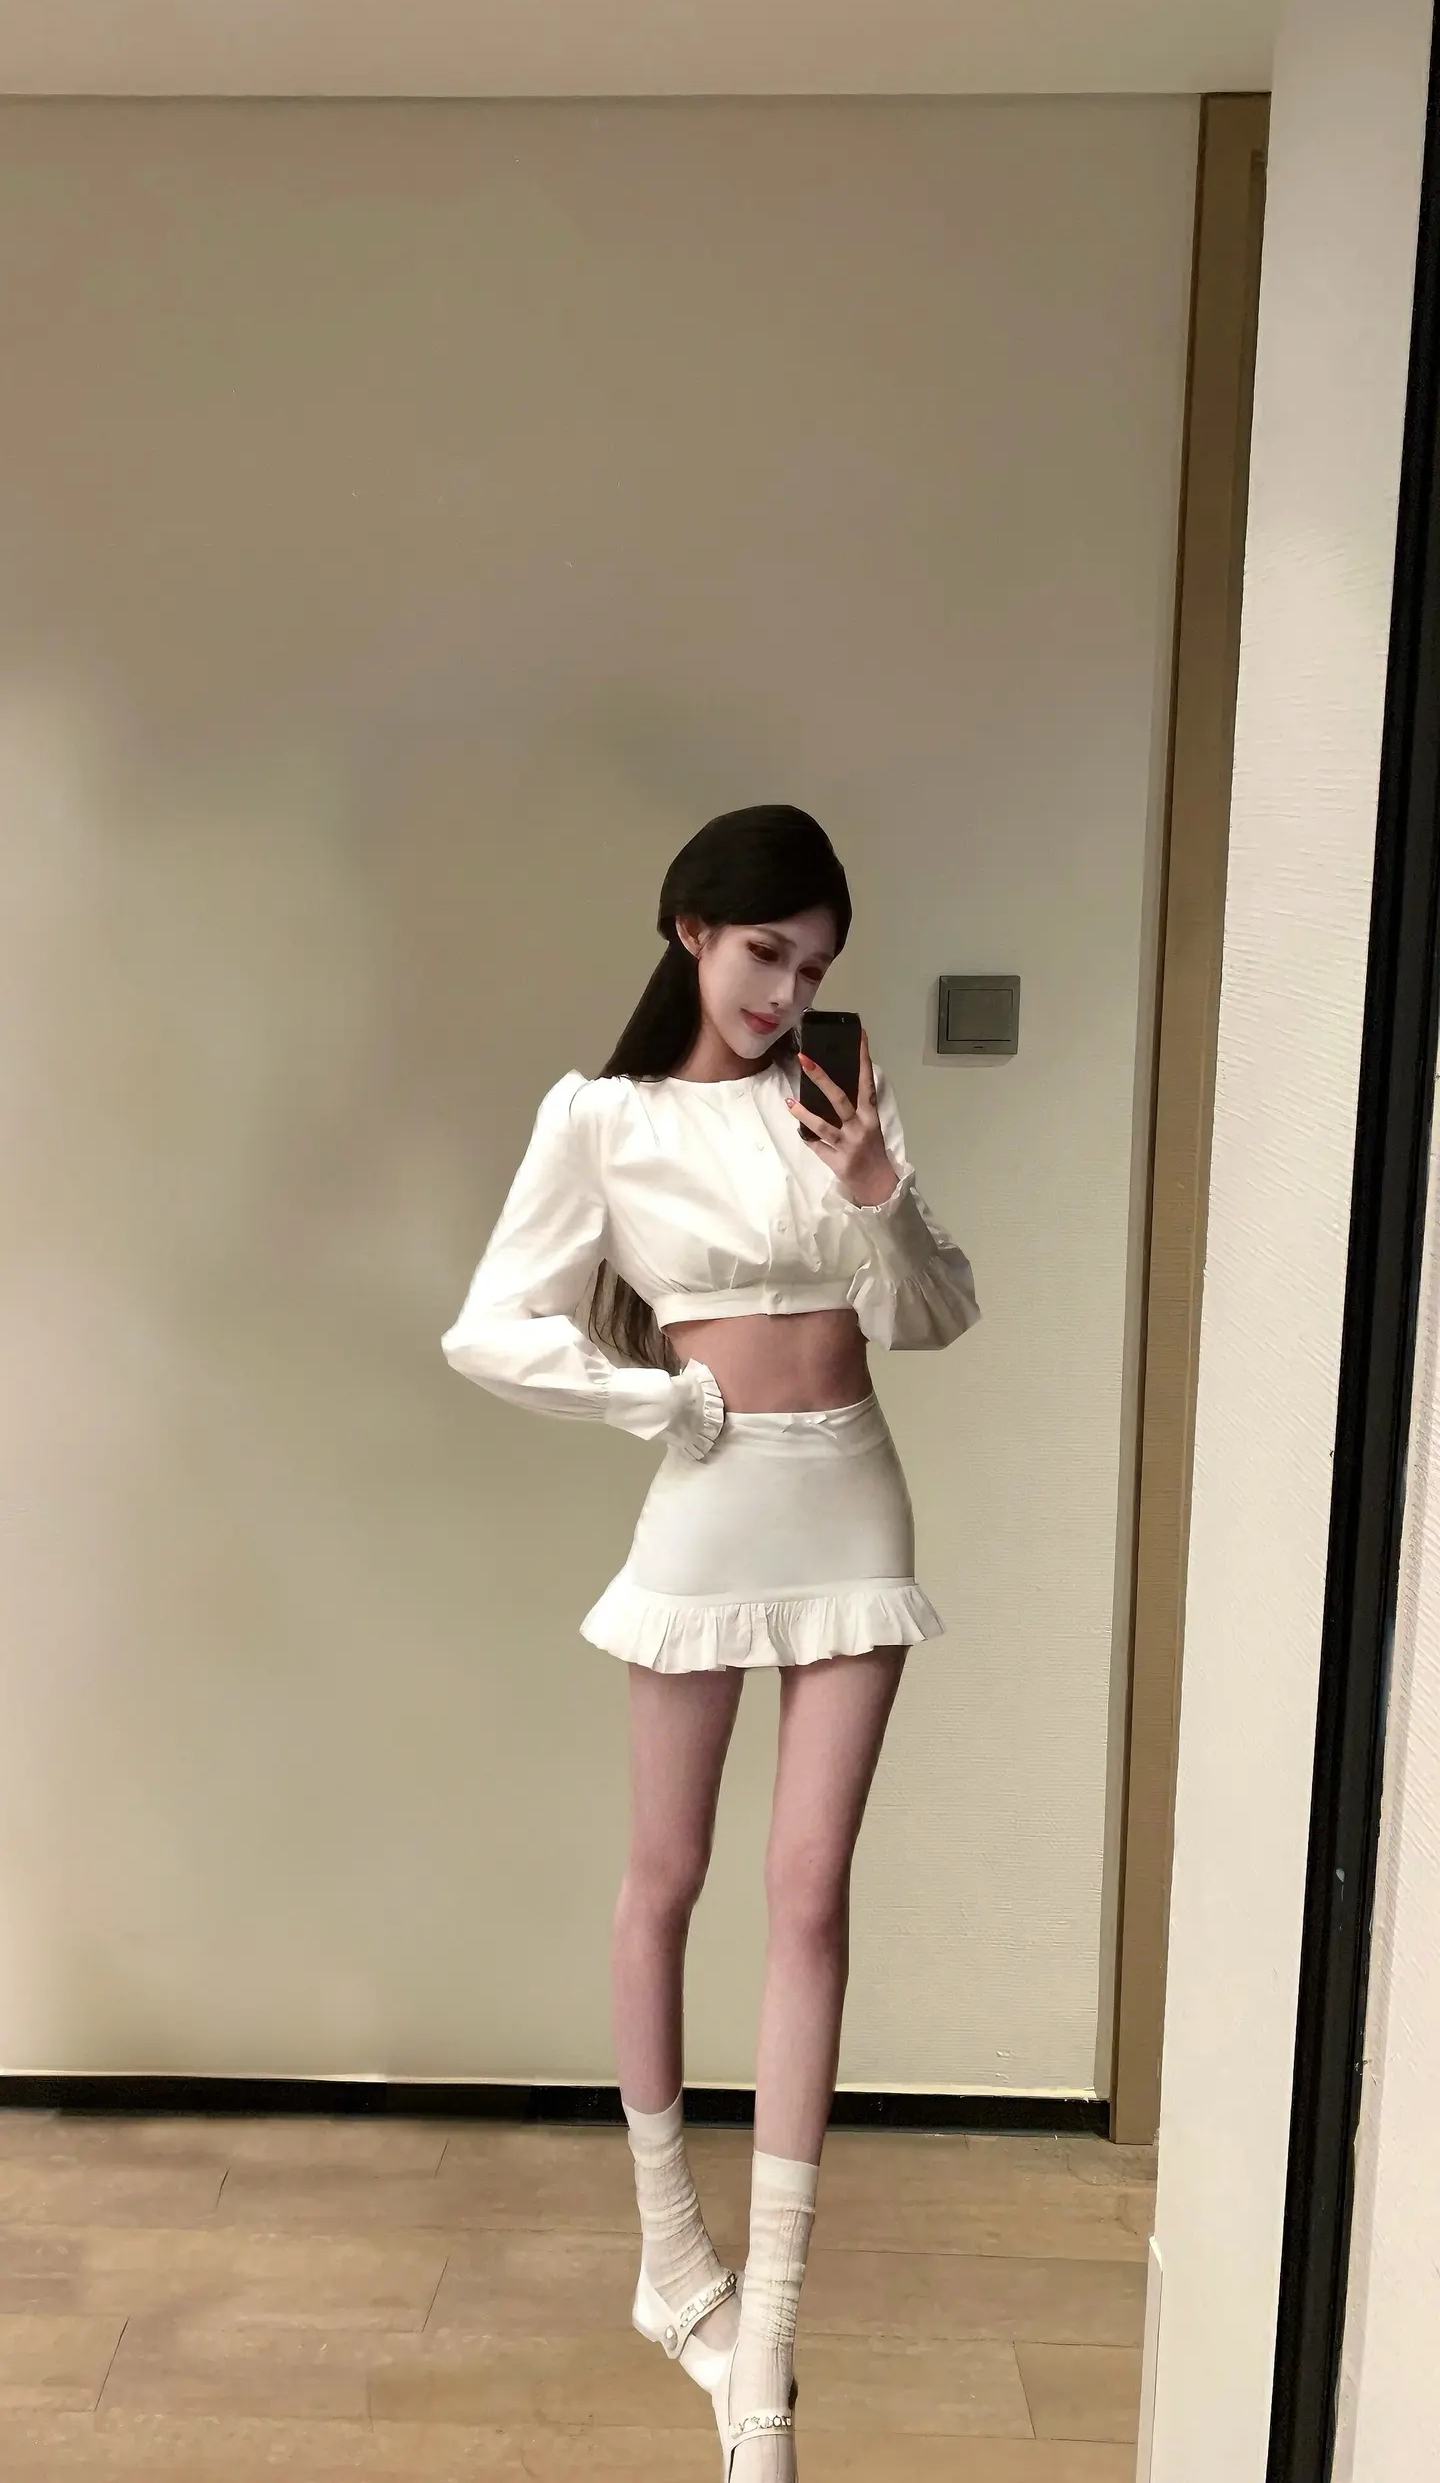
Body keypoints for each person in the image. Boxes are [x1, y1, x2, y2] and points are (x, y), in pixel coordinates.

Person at [441, 804, 979, 2479]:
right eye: (765, 954)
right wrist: (651, 1401)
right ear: (690, 928)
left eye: (813, 968)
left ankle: (772, 2345)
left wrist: (879, 1188)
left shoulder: (836, 1098)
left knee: (808, 1891)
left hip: (855, 1496)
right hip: (709, 1498)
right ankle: (674, 2260)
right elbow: (489, 1327)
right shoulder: (601, 1120)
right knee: (662, 1879)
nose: (786, 993)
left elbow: (938, 1314)